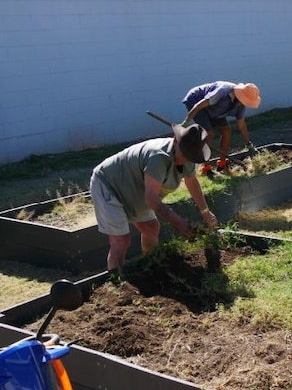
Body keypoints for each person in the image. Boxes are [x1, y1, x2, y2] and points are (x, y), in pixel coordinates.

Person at [89, 123, 219, 271]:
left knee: (151, 228)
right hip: (110, 185)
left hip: (134, 189)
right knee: (121, 240)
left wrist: (205, 211)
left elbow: (192, 182)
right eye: (183, 155)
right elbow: (151, 198)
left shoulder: (188, 156)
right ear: (175, 141)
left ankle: (151, 267)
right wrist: (178, 222)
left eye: (190, 157)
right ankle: (117, 283)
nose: (185, 160)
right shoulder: (158, 157)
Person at [180, 81, 262, 177]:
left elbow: (241, 125)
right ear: (240, 95)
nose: (244, 103)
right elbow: (199, 106)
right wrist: (186, 122)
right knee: (209, 133)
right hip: (196, 100)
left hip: (215, 110)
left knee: (226, 130)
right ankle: (205, 168)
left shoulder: (240, 105)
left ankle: (222, 163)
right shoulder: (222, 92)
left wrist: (249, 145)